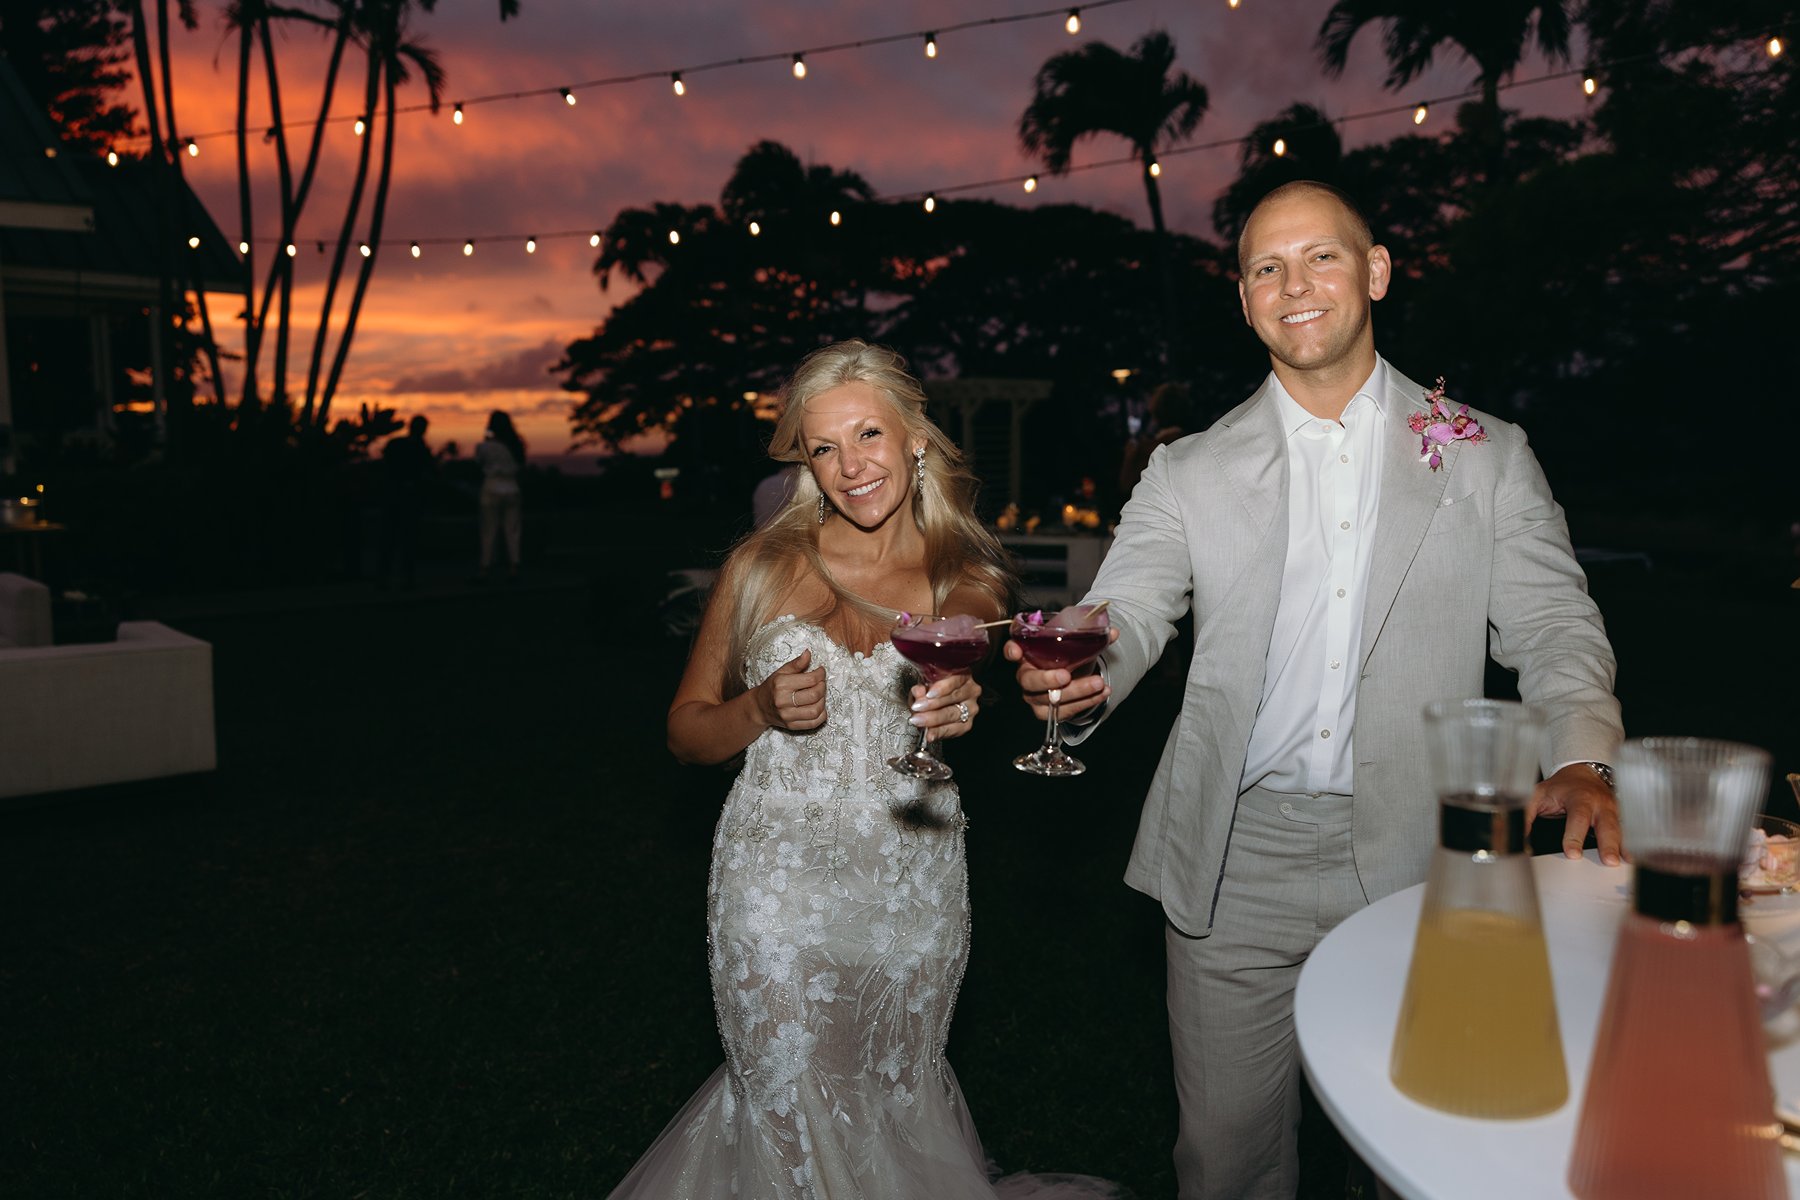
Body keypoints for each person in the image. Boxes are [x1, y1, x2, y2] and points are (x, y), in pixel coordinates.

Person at [1006, 181, 1625, 1200]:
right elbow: (1130, 613)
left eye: (1321, 258)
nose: (1295, 285)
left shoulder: (1488, 456)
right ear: (1245, 301)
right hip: (1233, 863)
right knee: (1225, 1161)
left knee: (1418, 1151)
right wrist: (1080, 680)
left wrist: (1583, 757)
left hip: (1431, 857)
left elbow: (1556, 628)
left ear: (1375, 270)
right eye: (1266, 267)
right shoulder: (1186, 472)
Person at [613, 340, 1113, 1200]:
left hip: (909, 884)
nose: (851, 467)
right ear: (803, 461)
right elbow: (686, 734)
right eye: (824, 448)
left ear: (915, 437)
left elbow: (961, 642)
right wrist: (757, 711)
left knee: (889, 1094)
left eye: (870, 435)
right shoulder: (761, 566)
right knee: (783, 1096)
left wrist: (956, 693)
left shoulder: (965, 573)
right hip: (771, 883)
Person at [376, 415, 434, 589]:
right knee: (407, 539)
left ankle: (385, 577)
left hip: (393, 496)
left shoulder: (396, 444)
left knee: (390, 539)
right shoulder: (419, 448)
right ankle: (405, 577)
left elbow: (385, 468)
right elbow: (427, 472)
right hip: (408, 498)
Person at [475, 410, 524, 581]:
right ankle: (514, 566)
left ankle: (485, 566)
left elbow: (479, 464)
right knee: (512, 529)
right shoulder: (516, 444)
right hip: (512, 487)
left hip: (491, 486)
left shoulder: (485, 446)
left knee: (489, 529)